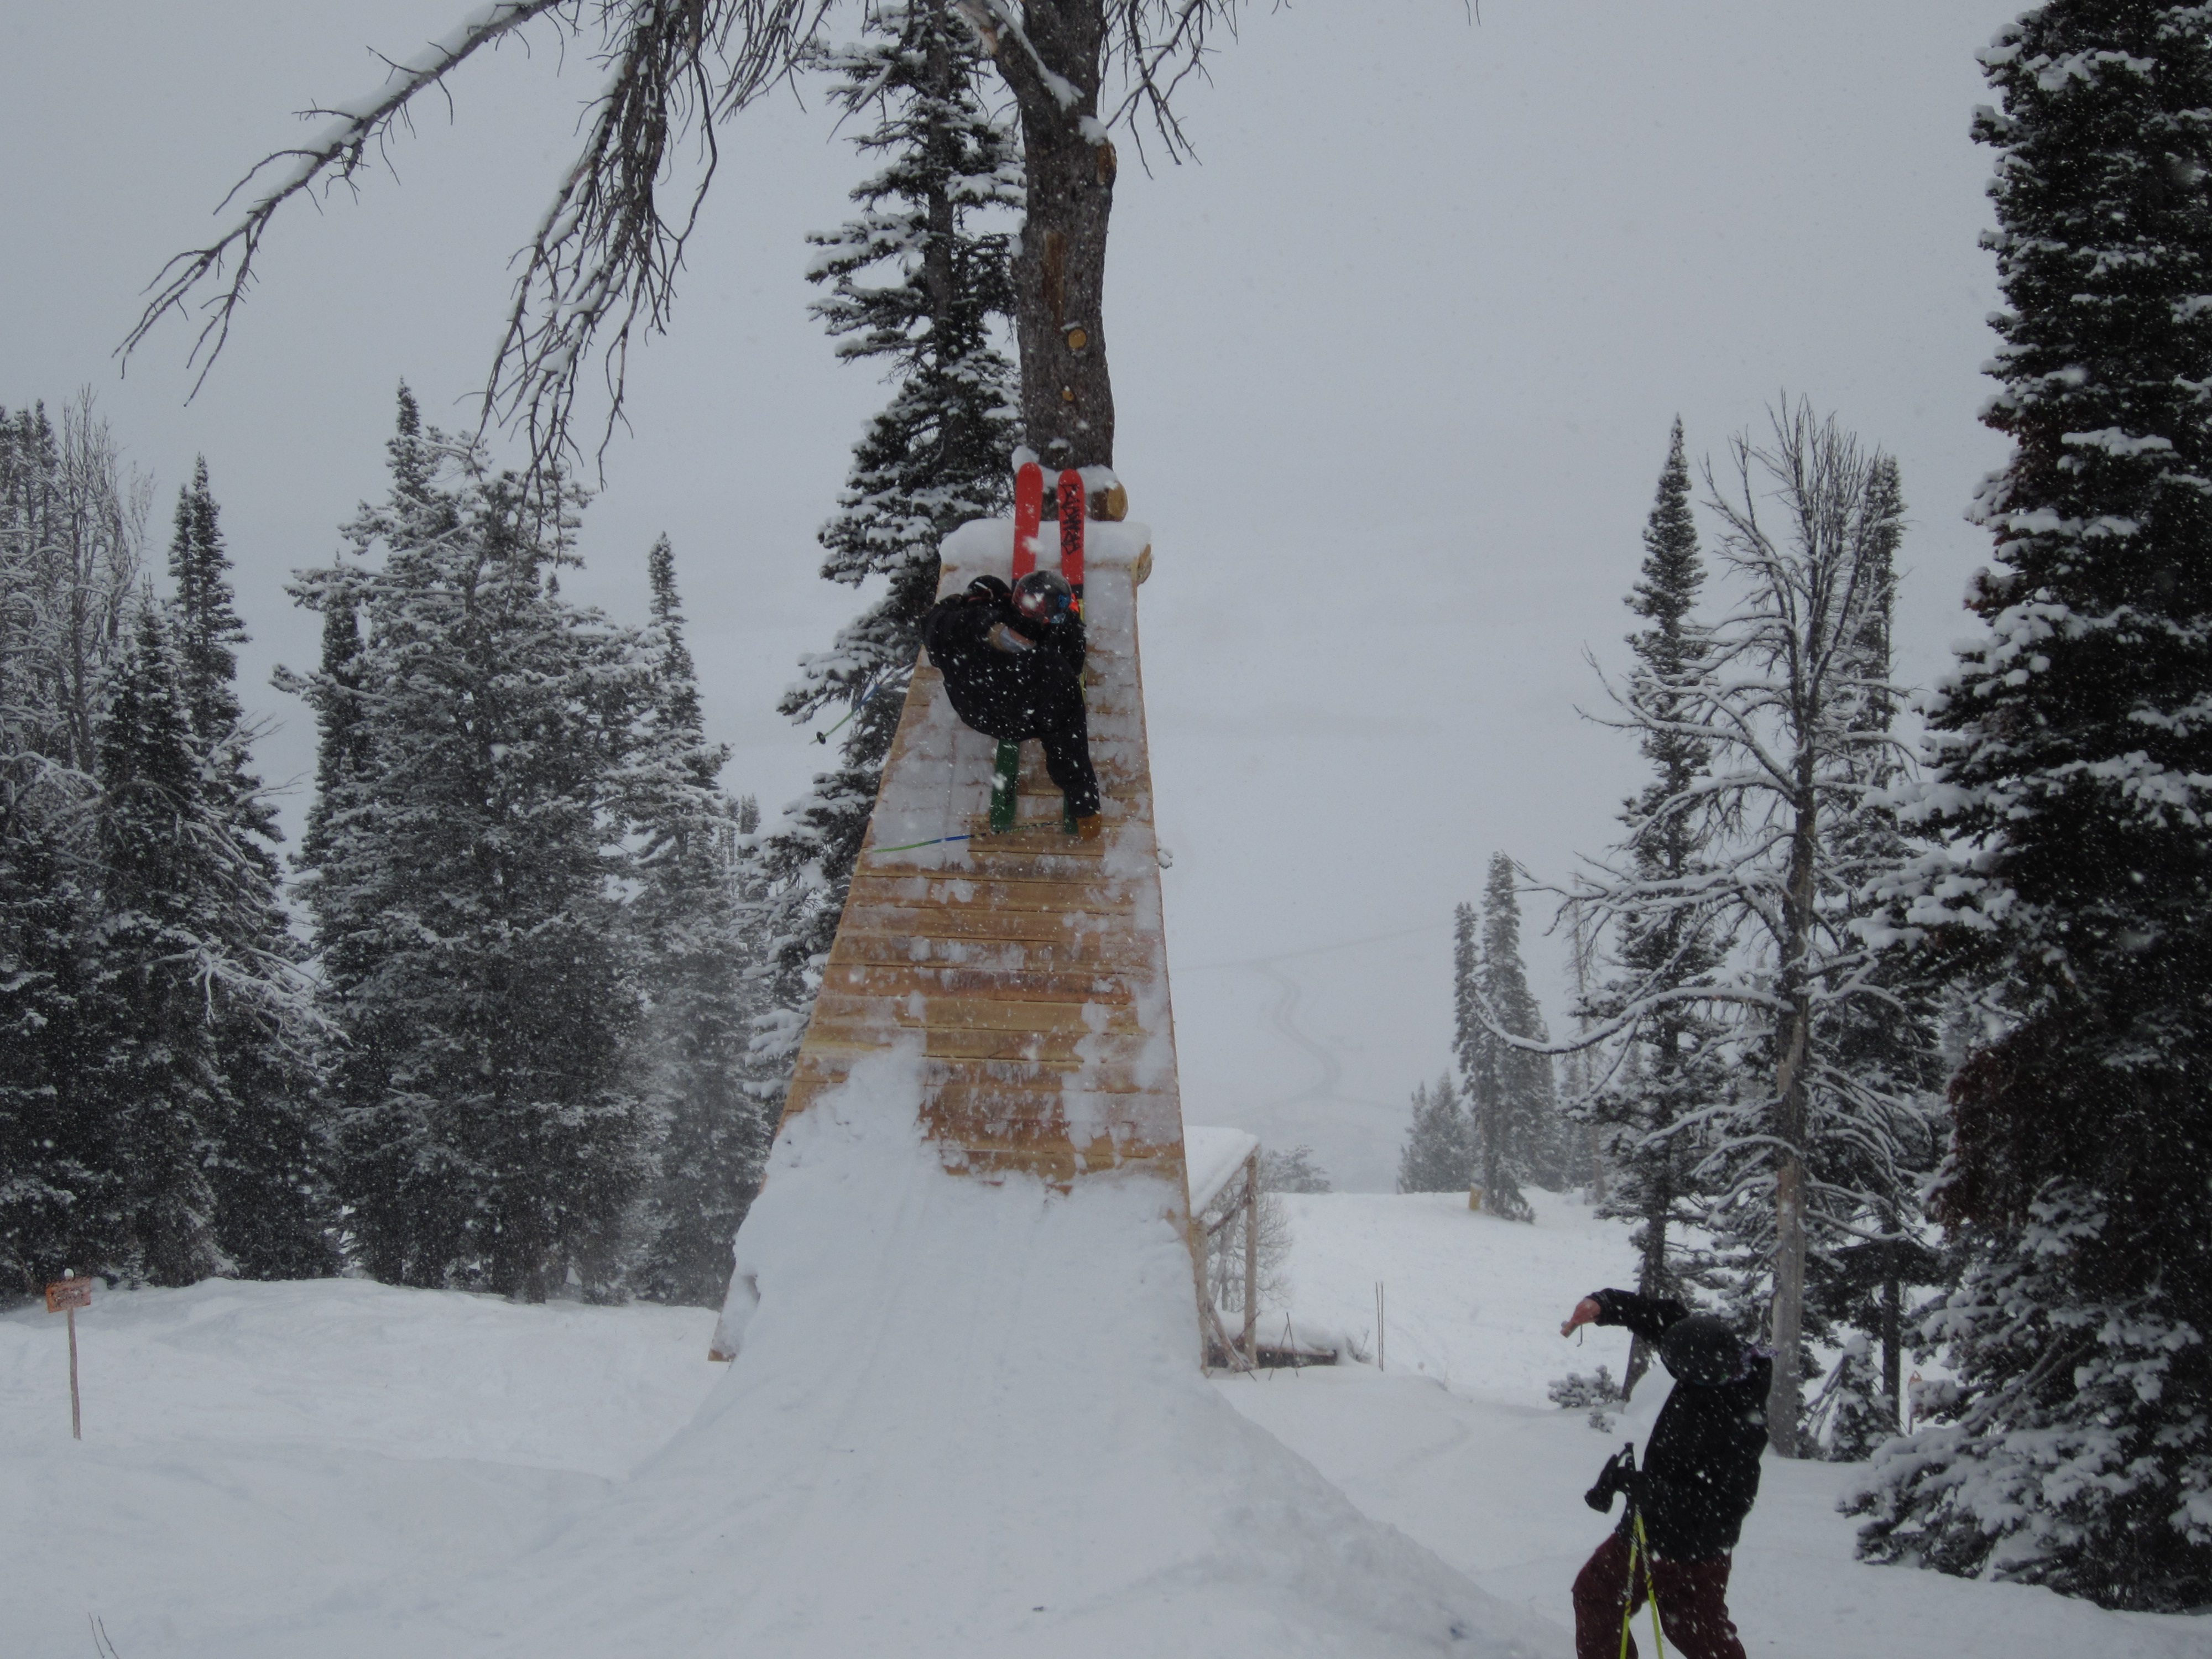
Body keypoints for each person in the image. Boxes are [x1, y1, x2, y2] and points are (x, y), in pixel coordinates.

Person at [1559, 1290, 1770, 1659]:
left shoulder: (1740, 1421)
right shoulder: (1712, 1354)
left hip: (1687, 1543)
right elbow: (1667, 1318)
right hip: (1661, 1531)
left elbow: (1732, 1502)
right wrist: (1606, 1305)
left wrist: (1656, 1492)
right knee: (1689, 1626)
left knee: (1608, 1599)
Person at [923, 569, 1102, 834]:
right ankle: (1067, 625)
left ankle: (1007, 609)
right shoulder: (1052, 674)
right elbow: (1067, 746)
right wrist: (1085, 807)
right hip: (1017, 723)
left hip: (971, 708)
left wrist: (953, 604)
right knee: (1069, 644)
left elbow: (932, 624)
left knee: (988, 584)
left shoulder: (964, 625)